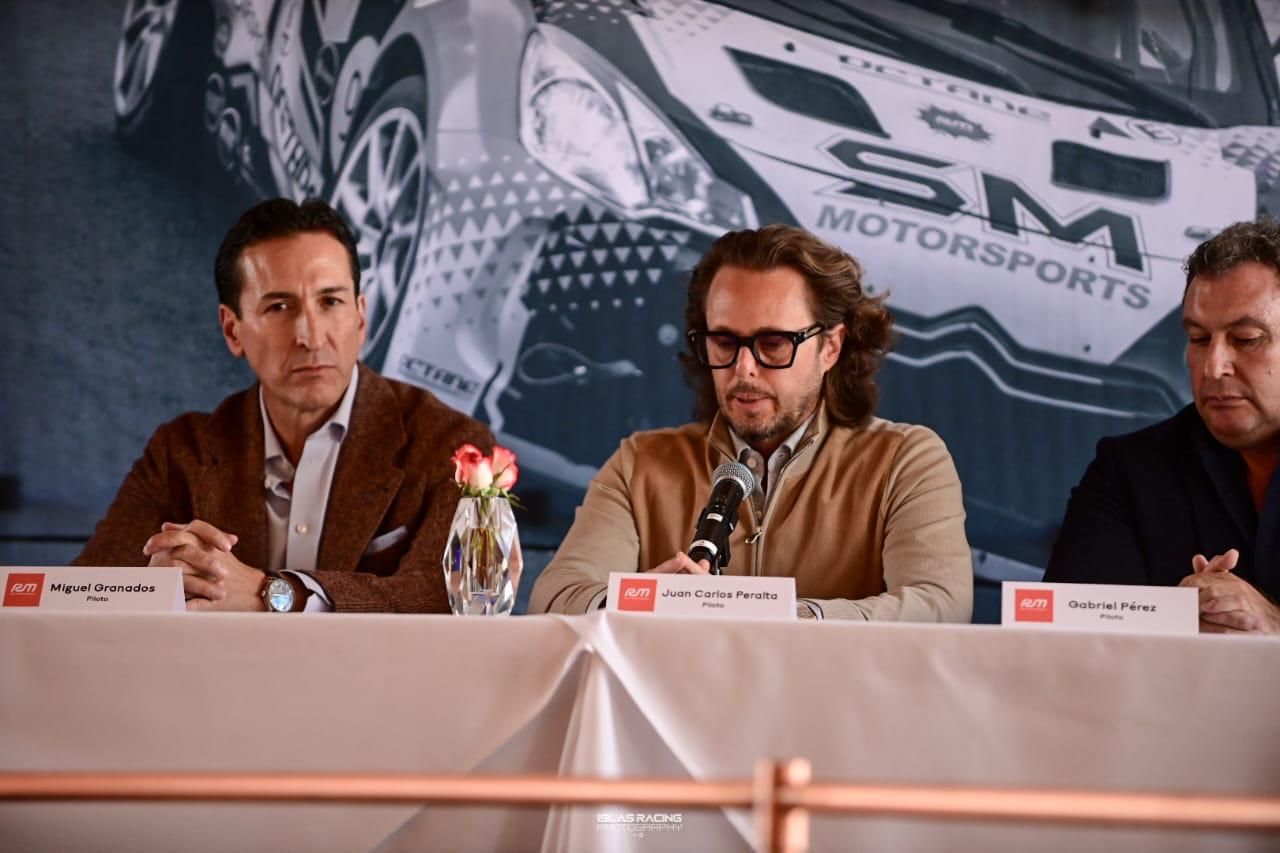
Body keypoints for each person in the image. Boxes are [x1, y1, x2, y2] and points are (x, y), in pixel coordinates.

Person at [529, 225, 972, 620]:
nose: (743, 368)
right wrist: (649, 602)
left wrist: (766, 617)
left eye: (774, 343)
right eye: (724, 341)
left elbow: (939, 604)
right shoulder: (639, 462)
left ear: (831, 347)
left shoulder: (905, 460)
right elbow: (555, 596)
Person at [75, 198, 493, 613]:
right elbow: (81, 595)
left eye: (330, 302)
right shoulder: (180, 452)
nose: (311, 336)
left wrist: (271, 593)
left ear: (361, 317)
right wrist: (150, 588)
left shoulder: (455, 447)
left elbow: (452, 597)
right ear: (233, 330)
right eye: (278, 307)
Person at [1045, 218, 1280, 634]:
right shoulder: (1128, 470)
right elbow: (1066, 636)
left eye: (1245, 339)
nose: (1213, 367)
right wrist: (1171, 619)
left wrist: (1274, 627)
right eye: (1199, 339)